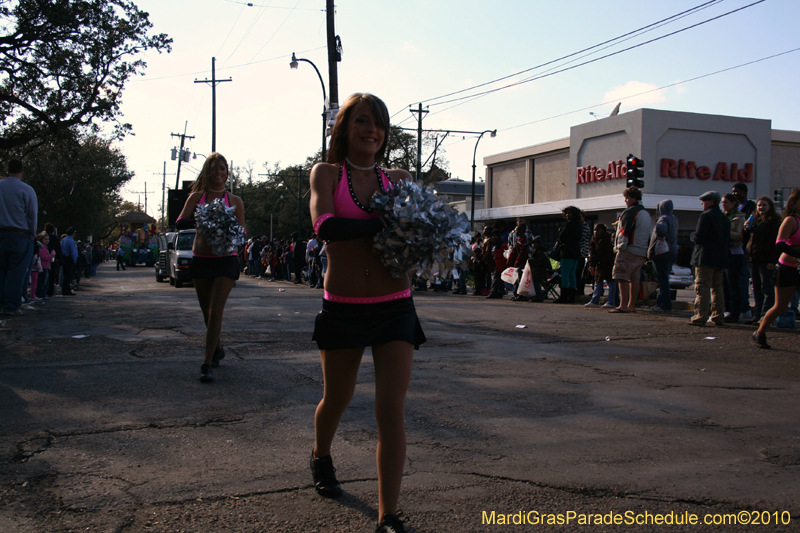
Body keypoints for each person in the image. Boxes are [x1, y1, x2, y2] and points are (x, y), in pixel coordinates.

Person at [308, 93, 425, 533]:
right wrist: (385, 222)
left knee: (390, 410)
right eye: (361, 121)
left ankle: (387, 515)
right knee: (336, 398)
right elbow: (326, 228)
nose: (370, 130)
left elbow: (420, 228)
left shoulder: (398, 178)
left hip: (395, 305)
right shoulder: (326, 174)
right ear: (344, 127)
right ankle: (321, 456)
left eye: (377, 124)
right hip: (343, 308)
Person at [176, 152, 245, 383]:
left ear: (227, 172)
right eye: (214, 168)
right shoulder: (196, 197)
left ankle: (206, 364)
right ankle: (218, 348)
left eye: (223, 168)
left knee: (216, 311)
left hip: (226, 260)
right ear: (208, 172)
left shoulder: (235, 201)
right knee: (207, 313)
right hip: (202, 260)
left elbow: (243, 231)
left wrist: (229, 227)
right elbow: (180, 221)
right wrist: (200, 218)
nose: (219, 173)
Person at [753, 189, 800, 349]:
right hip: (788, 268)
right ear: (794, 203)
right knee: (780, 306)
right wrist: (797, 254)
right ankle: (760, 331)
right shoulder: (790, 220)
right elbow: (780, 243)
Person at [0, 159, 37, 315]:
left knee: (1, 272)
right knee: (17, 272)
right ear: (22, 170)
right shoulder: (26, 190)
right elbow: (32, 215)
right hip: (19, 234)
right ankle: (11, 306)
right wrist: (32, 234)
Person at [689, 191, 730, 326]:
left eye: (704, 201)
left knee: (702, 287)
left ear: (711, 201)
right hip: (720, 258)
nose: (702, 203)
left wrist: (692, 236)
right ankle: (718, 315)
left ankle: (700, 315)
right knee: (717, 288)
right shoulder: (724, 218)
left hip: (705, 257)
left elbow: (699, 237)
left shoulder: (705, 216)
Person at [610, 187, 651, 313]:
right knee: (635, 278)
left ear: (634, 198)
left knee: (622, 276)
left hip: (629, 249)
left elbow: (624, 231)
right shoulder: (645, 213)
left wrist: (619, 247)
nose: (626, 201)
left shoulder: (630, 212)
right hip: (641, 250)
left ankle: (623, 305)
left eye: (627, 198)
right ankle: (631, 305)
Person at [743, 196, 781, 325]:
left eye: (764, 205)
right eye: (759, 205)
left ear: (770, 207)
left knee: (767, 289)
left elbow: (777, 244)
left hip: (766, 260)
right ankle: (757, 315)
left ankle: (766, 317)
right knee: (757, 289)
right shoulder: (755, 220)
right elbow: (747, 239)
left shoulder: (774, 222)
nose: (761, 208)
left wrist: (772, 261)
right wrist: (746, 228)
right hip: (753, 258)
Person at [647, 200, 678, 312]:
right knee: (665, 279)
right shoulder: (674, 218)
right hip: (672, 252)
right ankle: (662, 303)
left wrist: (662, 238)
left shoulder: (663, 218)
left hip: (662, 254)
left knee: (662, 280)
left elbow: (661, 228)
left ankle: (664, 305)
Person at [721, 193, 746, 323]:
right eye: (722, 202)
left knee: (733, 284)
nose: (723, 205)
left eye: (726, 202)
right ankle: (727, 310)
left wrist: (726, 232)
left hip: (735, 252)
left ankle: (735, 312)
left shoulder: (739, 217)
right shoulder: (722, 217)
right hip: (724, 252)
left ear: (733, 203)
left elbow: (741, 235)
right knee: (724, 284)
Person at [554, 206, 583, 304]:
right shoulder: (579, 225)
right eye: (566, 213)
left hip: (567, 252)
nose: (567, 215)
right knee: (572, 274)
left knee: (565, 274)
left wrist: (561, 231)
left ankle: (563, 296)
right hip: (576, 252)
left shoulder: (569, 225)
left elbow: (562, 237)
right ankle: (571, 297)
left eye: (569, 213)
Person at [585, 224, 617, 308]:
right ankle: (595, 300)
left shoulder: (608, 238)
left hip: (608, 263)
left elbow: (608, 253)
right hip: (599, 264)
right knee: (598, 282)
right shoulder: (594, 239)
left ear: (603, 230)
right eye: (595, 230)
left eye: (597, 230)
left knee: (611, 283)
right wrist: (592, 264)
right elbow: (592, 252)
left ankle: (611, 301)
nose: (595, 232)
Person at [486, 229, 508, 299]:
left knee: (496, 279)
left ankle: (493, 293)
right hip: (494, 264)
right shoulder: (493, 244)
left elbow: (505, 255)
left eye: (495, 235)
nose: (493, 237)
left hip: (500, 264)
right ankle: (499, 293)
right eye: (492, 236)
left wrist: (503, 263)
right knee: (498, 280)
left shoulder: (502, 244)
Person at [528, 236, 551, 302]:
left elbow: (539, 261)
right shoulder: (537, 251)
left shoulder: (539, 252)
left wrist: (531, 260)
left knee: (536, 282)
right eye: (533, 243)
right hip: (541, 270)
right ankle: (541, 294)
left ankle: (539, 296)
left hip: (541, 271)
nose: (534, 245)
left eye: (535, 243)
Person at [508, 236, 530, 301]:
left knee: (521, 280)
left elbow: (521, 254)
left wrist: (517, 262)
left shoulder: (523, 242)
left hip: (521, 264)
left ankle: (521, 295)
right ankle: (517, 294)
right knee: (518, 279)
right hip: (520, 263)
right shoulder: (520, 240)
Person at [36, 233, 54, 300]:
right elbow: (44, 257)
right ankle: (41, 294)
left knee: (44, 281)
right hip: (43, 266)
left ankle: (42, 294)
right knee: (42, 281)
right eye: (45, 239)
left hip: (45, 266)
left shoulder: (45, 247)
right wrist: (51, 255)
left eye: (48, 239)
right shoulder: (43, 247)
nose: (47, 240)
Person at [60, 228, 78, 296]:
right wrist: (75, 260)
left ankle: (64, 289)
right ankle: (67, 290)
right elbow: (73, 251)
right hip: (69, 259)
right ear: (73, 233)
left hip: (64, 258)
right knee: (69, 276)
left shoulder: (63, 240)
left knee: (65, 275)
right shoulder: (71, 241)